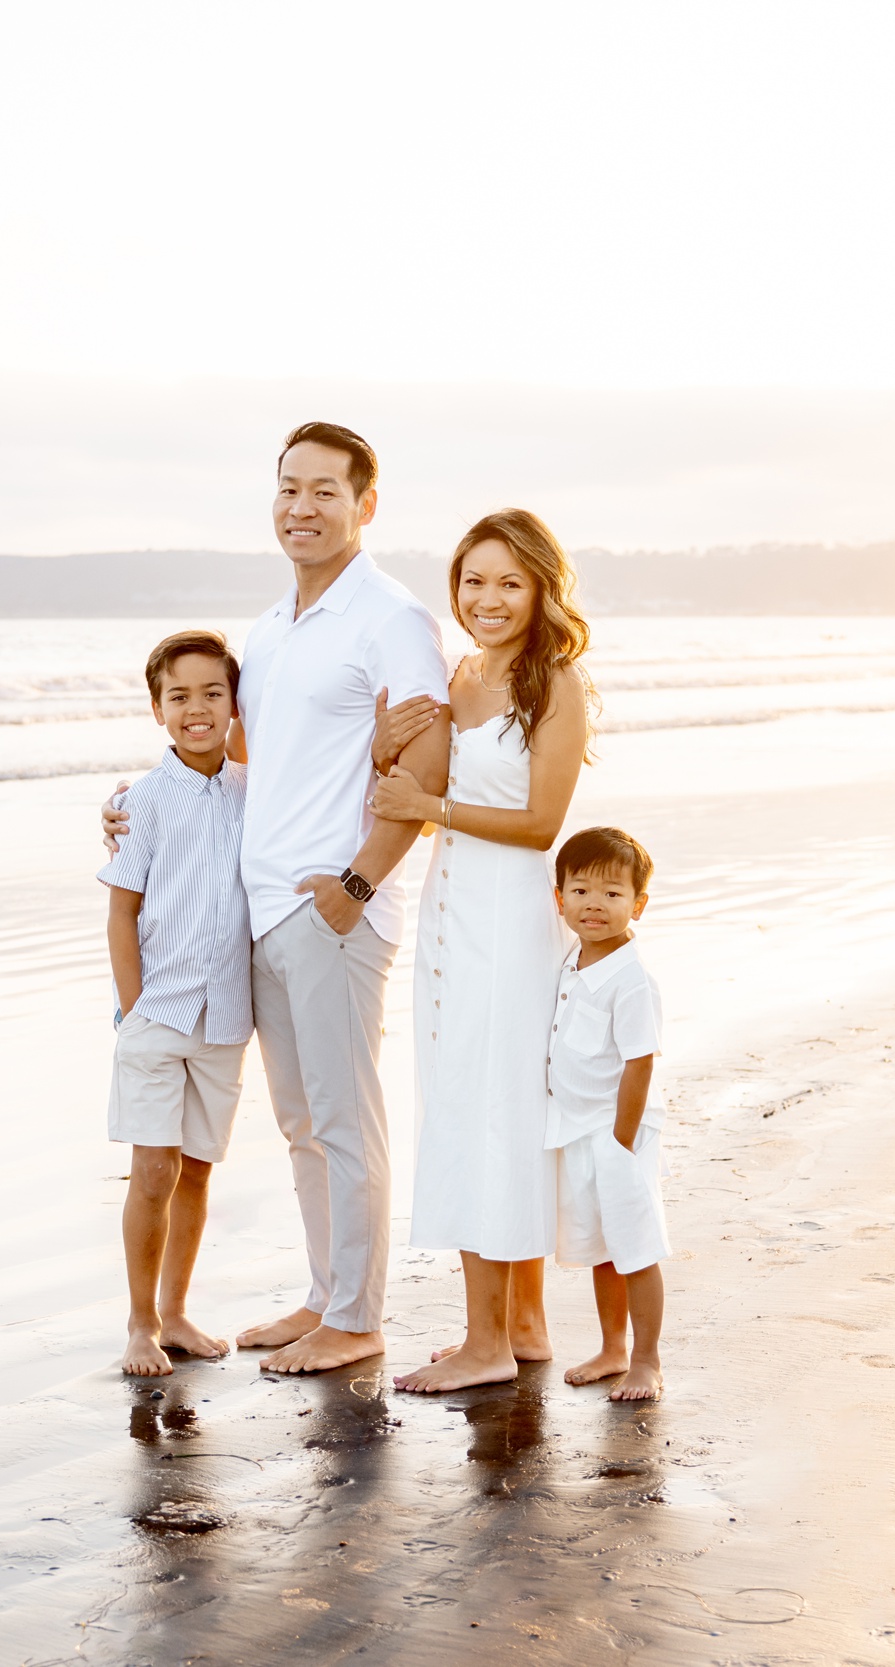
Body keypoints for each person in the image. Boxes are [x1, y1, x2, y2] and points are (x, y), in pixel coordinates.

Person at [103, 422, 451, 1375]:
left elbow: (426, 761)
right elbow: (249, 749)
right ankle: (324, 1295)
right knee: (301, 1123)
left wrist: (357, 884)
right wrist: (135, 800)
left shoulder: (391, 618)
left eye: (325, 491)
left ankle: (361, 1316)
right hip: (263, 910)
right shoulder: (271, 626)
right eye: (288, 488)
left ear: (365, 505)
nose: (301, 507)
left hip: (332, 908)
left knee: (345, 1118)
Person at [367, 510, 594, 1394]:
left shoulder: (556, 683)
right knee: (476, 1101)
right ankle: (525, 1326)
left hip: (508, 923)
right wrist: (388, 749)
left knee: (492, 1111)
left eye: (509, 582)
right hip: (450, 914)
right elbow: (403, 781)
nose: (487, 599)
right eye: (473, 580)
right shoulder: (456, 677)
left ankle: (484, 1341)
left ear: (541, 588)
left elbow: (542, 824)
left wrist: (431, 810)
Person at [99, 630, 251, 1376]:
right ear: (158, 708)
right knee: (152, 1169)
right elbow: (121, 914)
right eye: (180, 696)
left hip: (225, 1018)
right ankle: (139, 1322)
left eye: (213, 693)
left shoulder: (254, 792)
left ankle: (179, 1311)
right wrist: (134, 1013)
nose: (198, 709)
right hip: (157, 1015)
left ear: (234, 703)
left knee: (196, 1171)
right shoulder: (142, 802)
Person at [544, 826, 670, 1401]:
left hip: (617, 1134)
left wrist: (621, 1143)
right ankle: (612, 1347)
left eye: (613, 894)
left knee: (635, 1249)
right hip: (577, 1131)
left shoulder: (630, 980)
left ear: (638, 904)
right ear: (560, 898)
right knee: (603, 1249)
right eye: (581, 890)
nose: (595, 904)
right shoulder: (571, 961)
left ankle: (646, 1360)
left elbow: (639, 1064)